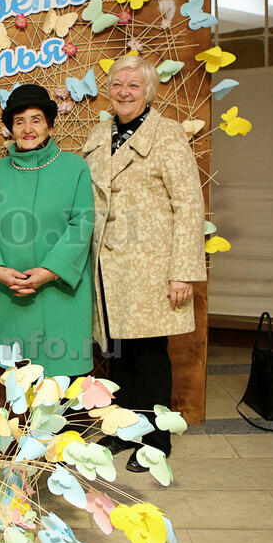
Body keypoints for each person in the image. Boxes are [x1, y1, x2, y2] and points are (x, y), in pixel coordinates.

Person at [80, 55, 206, 473]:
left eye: (134, 85)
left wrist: (182, 272)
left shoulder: (167, 134)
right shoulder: (98, 135)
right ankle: (124, 428)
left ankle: (155, 440)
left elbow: (189, 205)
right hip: (106, 266)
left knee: (149, 354)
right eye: (118, 84)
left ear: (148, 91)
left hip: (151, 266)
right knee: (118, 354)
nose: (124, 92)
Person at [0, 84, 95, 377]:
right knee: (15, 382)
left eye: (36, 120)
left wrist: (50, 271)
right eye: (19, 121)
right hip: (7, 294)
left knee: (64, 385)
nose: (28, 129)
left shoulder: (75, 167)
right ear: (11, 129)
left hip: (61, 295)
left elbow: (82, 224)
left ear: (50, 126)